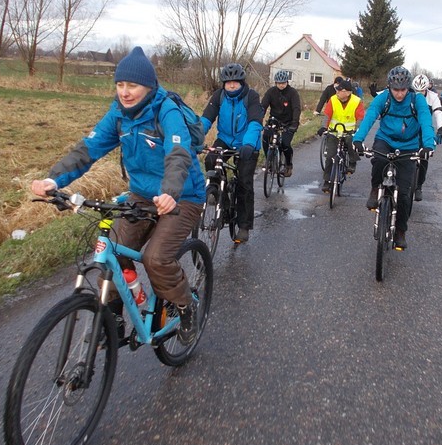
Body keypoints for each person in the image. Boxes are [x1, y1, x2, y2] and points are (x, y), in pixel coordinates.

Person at [31, 46, 205, 345]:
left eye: (132, 85)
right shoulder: (118, 114)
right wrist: (53, 179)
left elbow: (178, 153)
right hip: (141, 195)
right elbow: (89, 148)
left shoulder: (167, 111)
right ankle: (113, 316)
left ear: (148, 87)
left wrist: (170, 193)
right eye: (120, 84)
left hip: (183, 195)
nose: (124, 92)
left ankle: (186, 306)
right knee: (113, 249)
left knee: (156, 258)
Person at [352, 66, 435, 250]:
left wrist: (428, 145)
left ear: (408, 88)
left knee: (405, 194)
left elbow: (426, 122)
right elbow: (370, 117)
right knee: (378, 160)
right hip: (385, 140)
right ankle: (375, 188)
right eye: (395, 90)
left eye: (403, 90)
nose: (399, 94)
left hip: (409, 146)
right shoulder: (383, 98)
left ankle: (400, 231)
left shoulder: (417, 100)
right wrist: (358, 139)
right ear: (389, 87)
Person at [201, 63, 264, 243]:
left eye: (235, 82)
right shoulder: (219, 96)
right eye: (228, 82)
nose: (231, 85)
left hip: (247, 143)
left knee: (244, 182)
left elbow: (255, 122)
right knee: (211, 160)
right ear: (223, 84)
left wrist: (249, 144)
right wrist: (194, 138)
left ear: (241, 82)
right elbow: (206, 118)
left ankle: (244, 225)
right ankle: (222, 200)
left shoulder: (251, 96)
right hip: (225, 139)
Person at [316, 80, 365, 192]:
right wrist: (323, 127)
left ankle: (352, 162)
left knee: (351, 142)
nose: (337, 92)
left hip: (349, 131)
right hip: (334, 131)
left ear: (348, 92)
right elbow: (327, 115)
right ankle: (327, 181)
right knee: (330, 156)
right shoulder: (333, 100)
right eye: (336, 90)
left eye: (339, 90)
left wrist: (357, 130)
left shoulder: (356, 101)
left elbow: (360, 118)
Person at [411, 73, 442, 201]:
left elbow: (438, 113)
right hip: (410, 127)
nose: (419, 93)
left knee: (424, 157)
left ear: (427, 88)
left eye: (422, 91)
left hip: (424, 128)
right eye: (417, 91)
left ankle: (419, 186)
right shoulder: (409, 95)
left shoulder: (433, 97)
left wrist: (441, 129)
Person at [261, 70, 301, 177]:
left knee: (285, 144)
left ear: (287, 82)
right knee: (265, 137)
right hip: (274, 120)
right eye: (279, 83)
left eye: (283, 83)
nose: (281, 85)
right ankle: (269, 160)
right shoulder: (271, 92)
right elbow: (263, 106)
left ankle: (288, 165)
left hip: (288, 122)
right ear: (275, 83)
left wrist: (294, 123)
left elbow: (296, 108)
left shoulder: (292, 93)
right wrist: (258, 119)